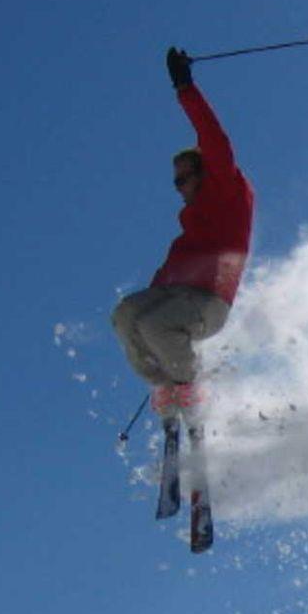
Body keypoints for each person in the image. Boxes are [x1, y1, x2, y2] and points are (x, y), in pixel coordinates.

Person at [111, 47, 256, 415]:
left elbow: (213, 136)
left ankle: (190, 387)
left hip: (210, 301)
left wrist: (184, 87)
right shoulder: (189, 227)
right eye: (175, 182)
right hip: (179, 296)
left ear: (204, 172)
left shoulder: (226, 189)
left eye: (183, 179)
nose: (178, 188)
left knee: (155, 324)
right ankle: (166, 387)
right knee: (126, 315)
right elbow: (164, 279)